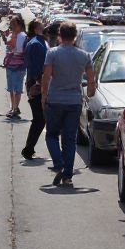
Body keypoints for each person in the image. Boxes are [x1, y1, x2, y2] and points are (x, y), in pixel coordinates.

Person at [41, 22, 95, 188]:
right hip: (74, 101)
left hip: (55, 99)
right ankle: (68, 176)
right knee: (69, 139)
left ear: (59, 34)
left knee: (51, 135)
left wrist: (44, 96)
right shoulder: (84, 55)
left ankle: (59, 164)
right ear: (75, 36)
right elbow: (91, 80)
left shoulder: (52, 53)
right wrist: (90, 92)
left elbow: (46, 76)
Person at [21, 19, 48, 159]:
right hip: (37, 86)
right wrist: (40, 86)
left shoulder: (35, 42)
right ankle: (28, 149)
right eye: (42, 24)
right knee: (39, 119)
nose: (44, 26)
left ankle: (29, 148)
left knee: (40, 119)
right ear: (37, 28)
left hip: (35, 84)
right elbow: (38, 69)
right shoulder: (36, 44)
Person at [2, 14, 27, 119]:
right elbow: (7, 48)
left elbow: (22, 50)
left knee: (17, 88)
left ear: (19, 25)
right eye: (11, 24)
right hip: (10, 64)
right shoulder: (11, 35)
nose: (12, 26)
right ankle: (13, 107)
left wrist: (14, 49)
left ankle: (15, 108)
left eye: (14, 24)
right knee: (11, 88)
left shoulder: (23, 36)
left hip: (19, 65)